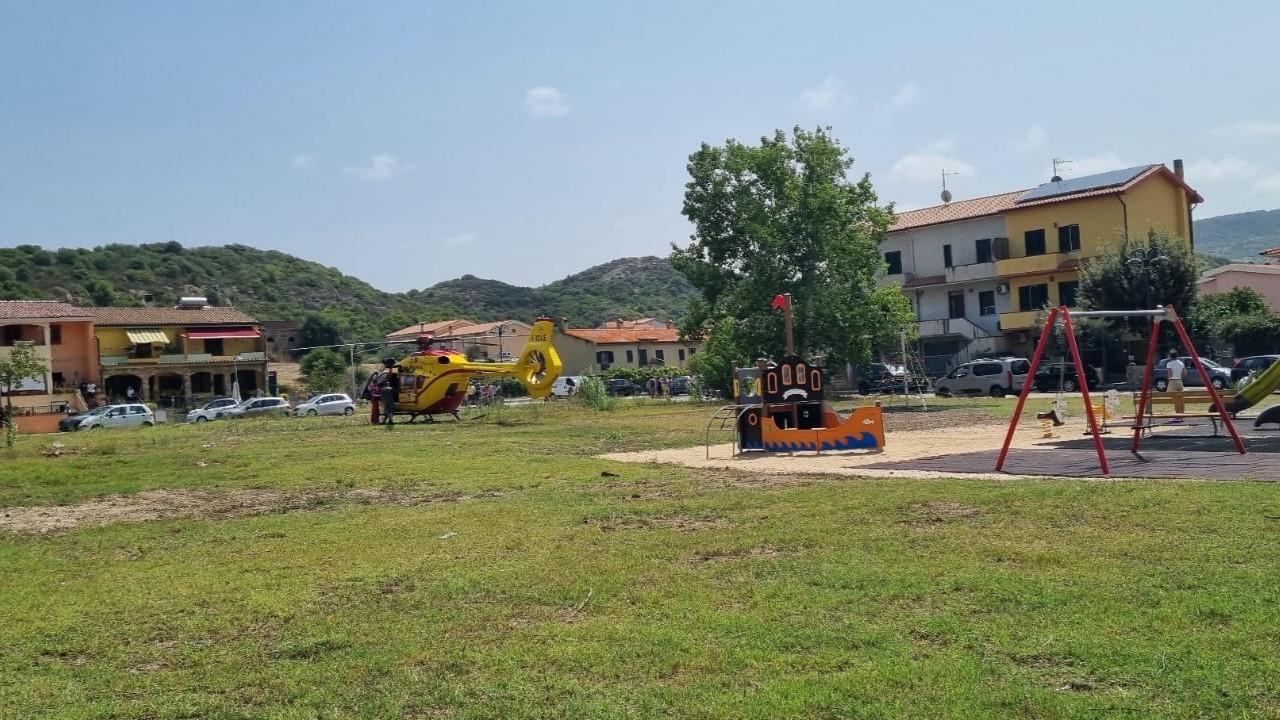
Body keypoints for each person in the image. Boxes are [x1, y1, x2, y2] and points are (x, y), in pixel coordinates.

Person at [1165, 349, 1186, 422]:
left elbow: (1169, 374)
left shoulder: (1169, 364)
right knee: (1180, 399)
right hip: (1180, 381)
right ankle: (1182, 416)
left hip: (1173, 381)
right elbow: (1184, 374)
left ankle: (1178, 416)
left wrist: (1169, 379)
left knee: (1175, 399)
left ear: (1170, 356)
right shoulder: (1181, 363)